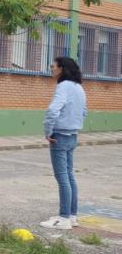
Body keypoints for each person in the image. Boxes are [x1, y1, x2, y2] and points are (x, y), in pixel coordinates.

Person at [40, 57, 86, 230]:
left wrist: (48, 131)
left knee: (62, 177)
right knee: (69, 175)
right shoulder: (79, 87)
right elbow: (84, 111)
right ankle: (72, 216)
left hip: (59, 135)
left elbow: (53, 110)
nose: (51, 68)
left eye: (53, 66)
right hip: (72, 135)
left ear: (62, 68)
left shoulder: (63, 86)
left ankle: (64, 217)